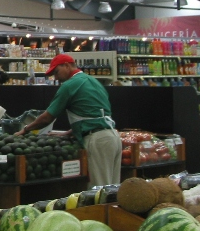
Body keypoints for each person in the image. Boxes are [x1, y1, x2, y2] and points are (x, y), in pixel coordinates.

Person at [16, 53, 121, 188]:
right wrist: (72, 131)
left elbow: (47, 117)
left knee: (99, 191)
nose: (56, 77)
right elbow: (95, 114)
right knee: (113, 190)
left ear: (66, 66)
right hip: (113, 138)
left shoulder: (69, 85)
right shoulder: (93, 81)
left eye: (56, 72)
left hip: (97, 141)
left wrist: (25, 129)